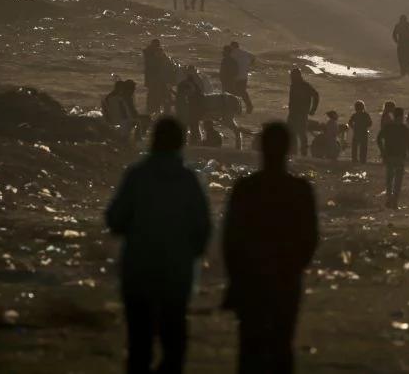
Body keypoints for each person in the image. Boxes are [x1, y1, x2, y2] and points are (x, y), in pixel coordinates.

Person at [106, 118, 211, 374]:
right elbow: (202, 228)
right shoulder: (188, 180)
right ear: (181, 143)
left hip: (139, 271)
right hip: (177, 274)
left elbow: (115, 220)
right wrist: (189, 255)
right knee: (174, 343)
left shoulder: (137, 176)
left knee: (139, 346)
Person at [221, 122, 319, 374]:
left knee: (249, 348)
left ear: (261, 147)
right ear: (289, 148)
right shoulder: (300, 190)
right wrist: (293, 267)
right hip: (286, 279)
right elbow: (310, 239)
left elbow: (231, 240)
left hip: (250, 279)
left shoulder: (245, 189)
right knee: (281, 346)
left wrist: (235, 278)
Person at [376, 108, 409, 208]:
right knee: (397, 180)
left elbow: (379, 139)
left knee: (389, 179)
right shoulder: (404, 128)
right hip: (399, 156)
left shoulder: (388, 127)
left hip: (389, 156)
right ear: (401, 116)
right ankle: (394, 200)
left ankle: (389, 199)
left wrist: (383, 151)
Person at [287, 67, 320, 156]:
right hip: (293, 113)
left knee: (301, 134)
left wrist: (313, 109)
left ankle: (303, 154)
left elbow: (316, 95)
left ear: (297, 76)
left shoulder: (305, 86)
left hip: (301, 114)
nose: (291, 78)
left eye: (292, 76)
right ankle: (293, 153)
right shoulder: (293, 85)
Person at [221, 42, 255, 113]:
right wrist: (248, 66)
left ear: (232, 47)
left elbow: (229, 63)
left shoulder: (232, 54)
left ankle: (237, 109)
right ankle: (249, 106)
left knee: (234, 93)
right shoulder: (245, 53)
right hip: (244, 76)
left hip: (235, 76)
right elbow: (253, 57)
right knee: (243, 92)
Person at [175, 66, 205, 142]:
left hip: (188, 110)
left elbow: (179, 99)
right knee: (193, 127)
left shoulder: (182, 84)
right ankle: (194, 141)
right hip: (193, 110)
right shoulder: (197, 84)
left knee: (188, 127)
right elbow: (200, 97)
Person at [143, 39, 173, 114]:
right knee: (158, 97)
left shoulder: (149, 55)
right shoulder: (151, 56)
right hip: (156, 81)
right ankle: (157, 112)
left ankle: (153, 111)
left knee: (154, 97)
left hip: (154, 81)